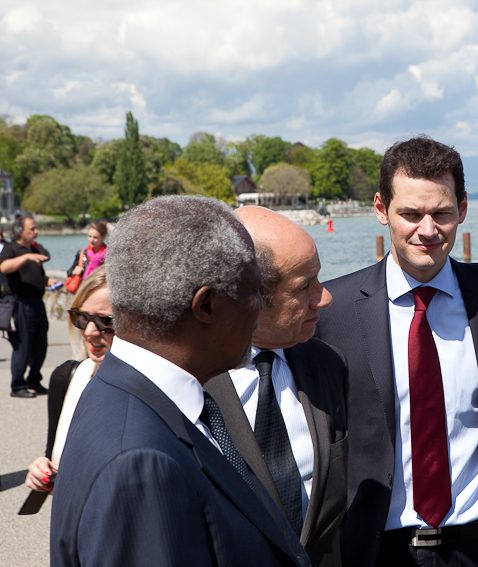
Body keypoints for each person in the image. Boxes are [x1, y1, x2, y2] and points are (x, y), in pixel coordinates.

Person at [314, 136, 478, 567]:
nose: (427, 230)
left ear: (462, 208)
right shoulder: (334, 310)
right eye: (410, 213)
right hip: (373, 552)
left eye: (441, 213)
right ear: (380, 208)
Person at [50, 195, 308, 567]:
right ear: (206, 306)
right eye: (254, 291)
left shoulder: (120, 392)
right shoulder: (141, 465)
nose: (260, 308)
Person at [205, 206, 347, 567]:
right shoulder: (191, 381)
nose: (324, 297)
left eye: (319, 279)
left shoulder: (327, 365)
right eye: (305, 286)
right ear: (248, 294)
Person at [24, 266, 113, 502]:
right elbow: (53, 456)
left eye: (106, 321)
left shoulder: (152, 391)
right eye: (82, 318)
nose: (91, 332)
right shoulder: (67, 377)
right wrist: (43, 470)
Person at [0, 215, 59, 397]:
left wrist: (50, 281)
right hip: (19, 303)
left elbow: (39, 277)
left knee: (40, 344)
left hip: (36, 302)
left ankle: (34, 380)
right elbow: (4, 267)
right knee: (22, 346)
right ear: (20, 231)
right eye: (31, 229)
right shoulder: (12, 248)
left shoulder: (34, 249)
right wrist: (26, 257)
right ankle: (17, 386)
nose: (36, 232)